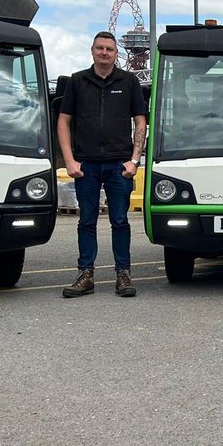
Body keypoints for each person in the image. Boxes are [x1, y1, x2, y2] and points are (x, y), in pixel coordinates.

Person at [58, 31, 148, 298]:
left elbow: (140, 121)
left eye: (109, 49)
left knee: (120, 221)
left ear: (116, 53)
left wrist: (134, 160)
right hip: (86, 165)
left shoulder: (129, 81)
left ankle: (123, 274)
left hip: (119, 165)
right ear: (92, 51)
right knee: (86, 221)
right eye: (100, 48)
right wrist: (70, 161)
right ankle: (85, 274)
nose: (105, 53)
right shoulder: (77, 81)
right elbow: (63, 122)